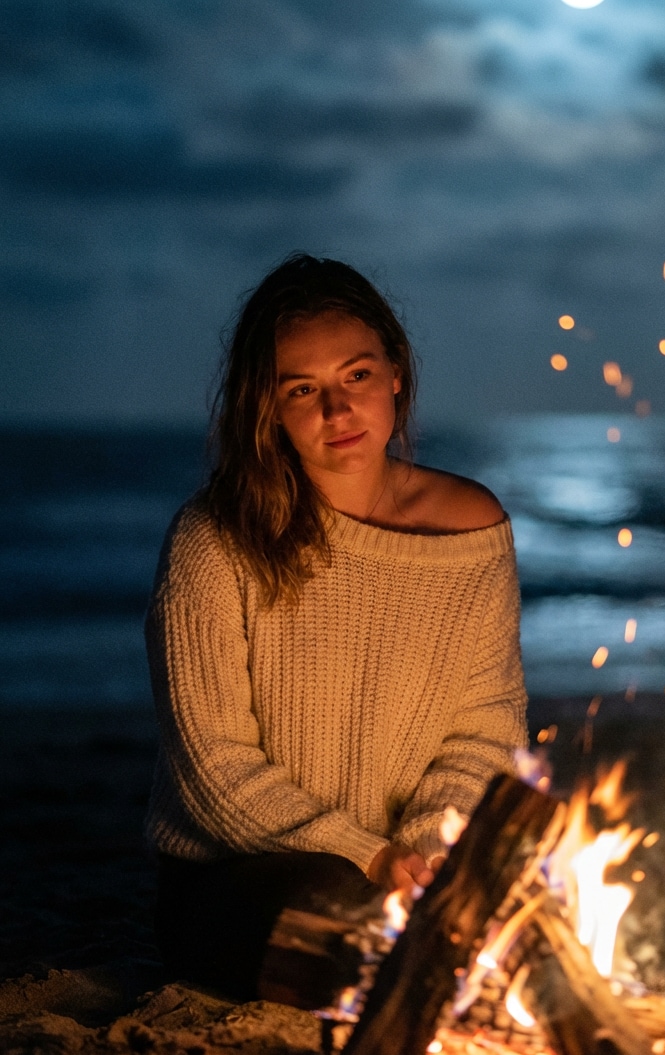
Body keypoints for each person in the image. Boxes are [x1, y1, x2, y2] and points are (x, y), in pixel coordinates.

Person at [145, 254, 527, 1000]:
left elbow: (485, 731)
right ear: (268, 409)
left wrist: (419, 856)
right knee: (338, 909)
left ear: (395, 375)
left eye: (355, 375)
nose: (336, 410)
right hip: (241, 881)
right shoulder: (215, 538)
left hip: (406, 872)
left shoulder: (473, 530)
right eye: (302, 390)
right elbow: (213, 767)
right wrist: (370, 858)